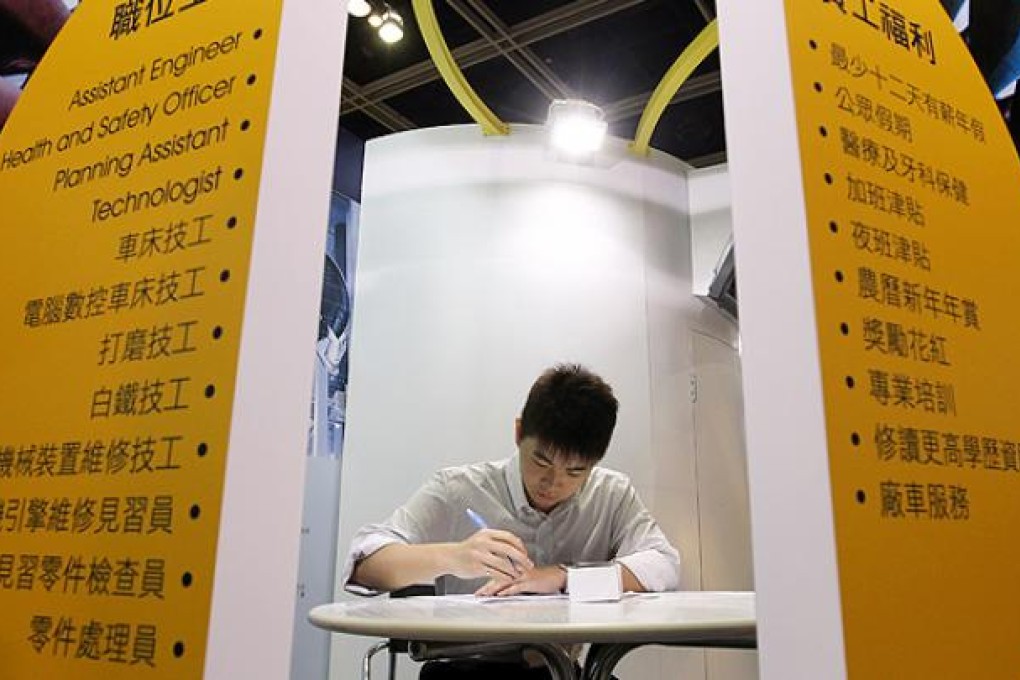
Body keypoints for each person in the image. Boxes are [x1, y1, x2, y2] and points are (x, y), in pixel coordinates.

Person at [342, 363, 681, 679]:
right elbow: (364, 564)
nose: (553, 483)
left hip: (560, 670)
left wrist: (563, 578)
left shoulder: (611, 494)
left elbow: (663, 563)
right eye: (541, 461)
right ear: (519, 432)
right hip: (467, 668)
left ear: (595, 461)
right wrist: (454, 557)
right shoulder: (459, 490)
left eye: (575, 471)